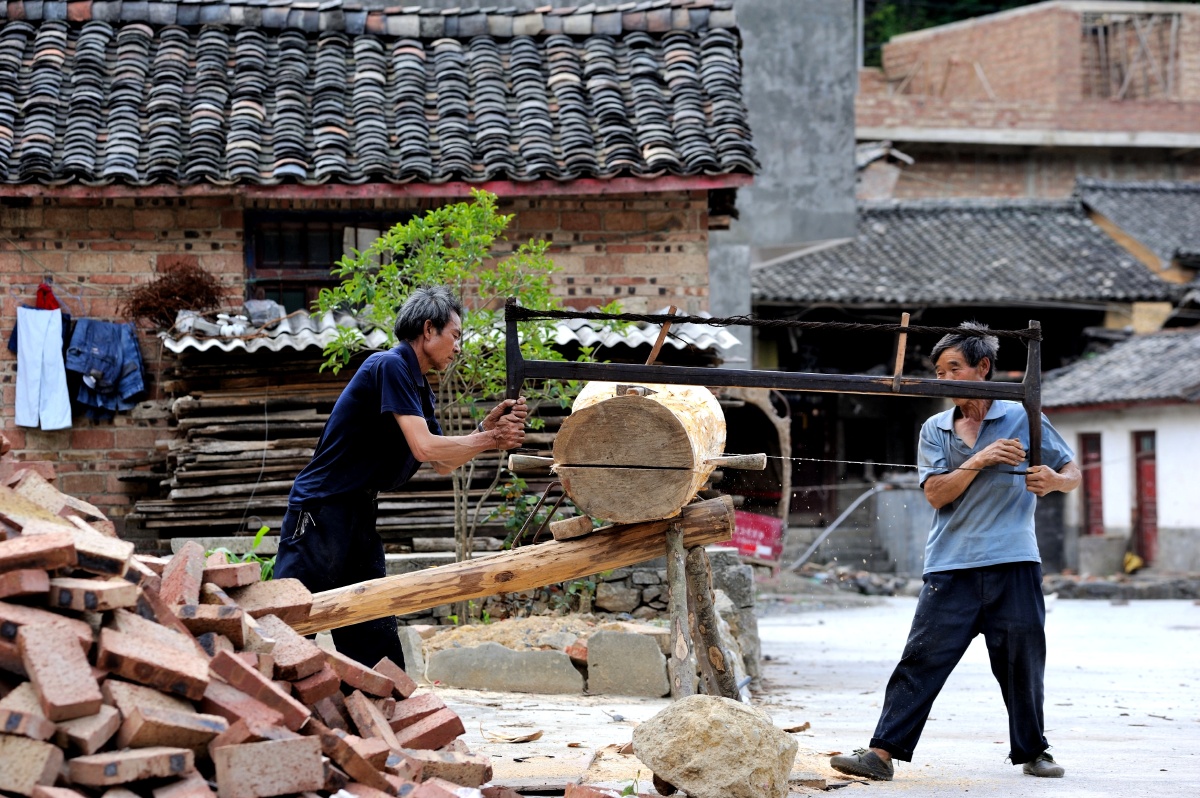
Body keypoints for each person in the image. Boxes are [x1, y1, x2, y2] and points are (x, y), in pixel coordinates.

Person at [830, 321, 1081, 782]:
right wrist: (980, 459)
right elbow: (937, 495)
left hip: (1015, 562)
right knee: (921, 659)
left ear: (983, 368)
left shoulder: (1025, 416)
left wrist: (1055, 481)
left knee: (1022, 662)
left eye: (953, 368)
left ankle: (1034, 751)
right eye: (938, 369)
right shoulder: (936, 428)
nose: (943, 377)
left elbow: (1070, 471)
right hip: (951, 566)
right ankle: (881, 755)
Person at [275, 286, 527, 668]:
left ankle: (385, 714)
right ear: (429, 330)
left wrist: (484, 433)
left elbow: (443, 462)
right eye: (455, 336)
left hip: (358, 514)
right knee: (292, 626)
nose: (458, 347)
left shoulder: (418, 387)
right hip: (321, 510)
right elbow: (426, 448)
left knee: (371, 627)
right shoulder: (389, 365)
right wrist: (491, 437)